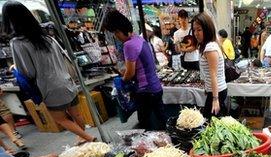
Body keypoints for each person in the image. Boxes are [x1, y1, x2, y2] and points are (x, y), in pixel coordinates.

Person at [4, 1, 95, 145]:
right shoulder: (47, 37)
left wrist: (14, 68)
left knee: (60, 118)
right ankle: (83, 137)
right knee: (76, 113)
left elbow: (28, 71)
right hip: (66, 81)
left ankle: (90, 139)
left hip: (50, 87)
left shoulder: (18, 42)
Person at [103, 10, 166, 131]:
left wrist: (123, 80)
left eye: (115, 33)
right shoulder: (139, 39)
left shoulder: (129, 45)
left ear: (118, 30)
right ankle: (170, 144)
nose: (116, 36)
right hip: (156, 87)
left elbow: (130, 73)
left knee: (144, 125)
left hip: (145, 91)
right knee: (161, 119)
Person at [192, 13, 227, 119]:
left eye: (199, 30)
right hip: (215, 91)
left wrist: (215, 99)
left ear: (207, 29)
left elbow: (214, 75)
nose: (196, 33)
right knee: (213, 121)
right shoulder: (209, 45)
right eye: (194, 30)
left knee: (210, 121)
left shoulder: (210, 47)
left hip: (217, 92)